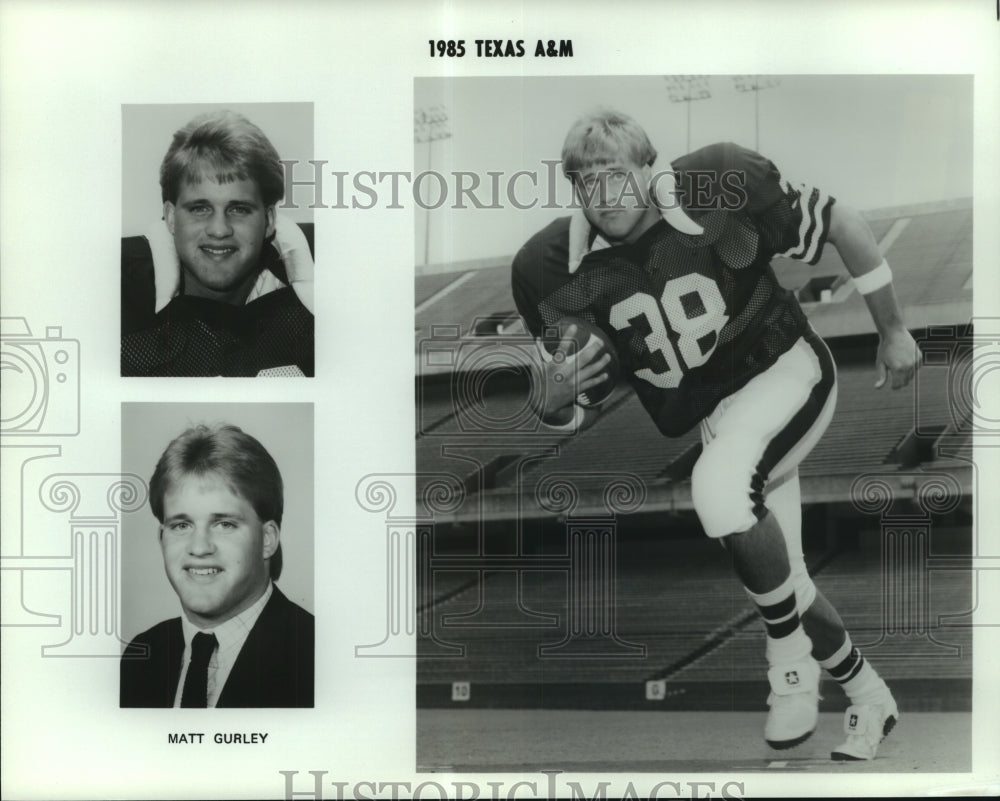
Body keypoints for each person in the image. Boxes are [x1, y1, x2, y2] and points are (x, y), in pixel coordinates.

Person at [511, 110, 919, 760]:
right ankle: (871, 696)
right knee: (783, 575)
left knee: (719, 488)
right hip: (719, 416)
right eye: (586, 183)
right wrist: (550, 405)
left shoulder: (717, 184)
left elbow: (841, 222)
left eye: (616, 176)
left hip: (786, 368)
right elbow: (577, 402)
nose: (604, 196)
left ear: (649, 169)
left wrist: (892, 330)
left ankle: (788, 669)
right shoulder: (550, 268)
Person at [120, 424, 314, 708]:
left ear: (267, 540)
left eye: (224, 524)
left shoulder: (314, 657)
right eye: (181, 525)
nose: (199, 548)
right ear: (162, 538)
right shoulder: (142, 656)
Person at [121, 109, 315, 377]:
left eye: (239, 209)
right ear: (171, 217)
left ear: (269, 220)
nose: (219, 229)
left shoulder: (320, 287)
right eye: (200, 208)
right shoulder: (116, 295)